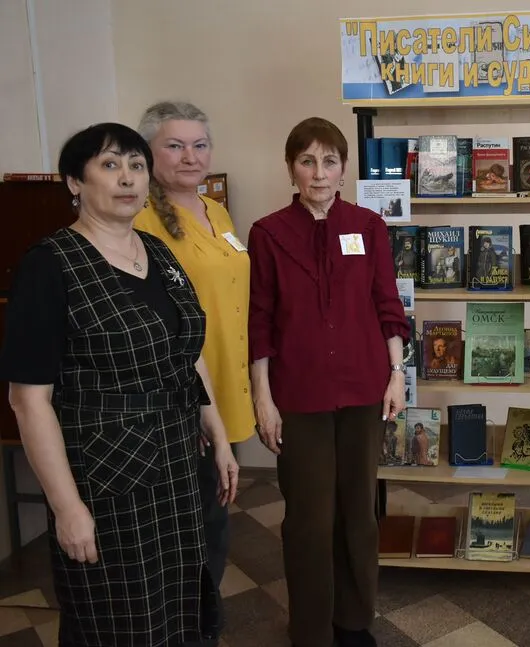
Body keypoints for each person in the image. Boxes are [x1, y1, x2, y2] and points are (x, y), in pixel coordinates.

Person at [0, 122, 239, 646]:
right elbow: (29, 401)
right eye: (109, 165)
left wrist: (218, 434)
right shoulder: (50, 266)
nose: (127, 178)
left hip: (175, 465)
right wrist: (67, 508)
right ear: (74, 182)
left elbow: (187, 352)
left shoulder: (157, 251)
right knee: (117, 618)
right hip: (106, 474)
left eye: (135, 165)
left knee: (177, 604)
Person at [247, 116, 410, 647]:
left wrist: (396, 375)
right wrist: (263, 399)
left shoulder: (369, 226)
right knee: (310, 520)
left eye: (329, 161)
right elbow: (260, 321)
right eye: (307, 161)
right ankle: (312, 629)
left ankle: (354, 620)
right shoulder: (269, 233)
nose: (319, 173)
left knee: (359, 512)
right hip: (299, 395)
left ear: (344, 169)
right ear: (291, 168)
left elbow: (387, 303)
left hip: (364, 389)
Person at [133, 100, 255, 618]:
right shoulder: (140, 221)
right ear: (148, 152)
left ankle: (201, 615)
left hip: (227, 383)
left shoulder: (215, 211)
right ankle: (189, 621)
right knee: (191, 524)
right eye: (175, 146)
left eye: (200, 145)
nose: (190, 156)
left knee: (214, 515)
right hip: (186, 398)